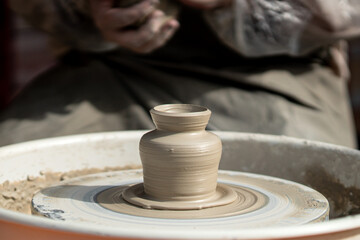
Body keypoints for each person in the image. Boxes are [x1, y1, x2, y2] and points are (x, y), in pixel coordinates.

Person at [1, 0, 360, 148]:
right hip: (114, 66)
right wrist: (89, 11)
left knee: (315, 195)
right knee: (15, 167)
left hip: (278, 72)